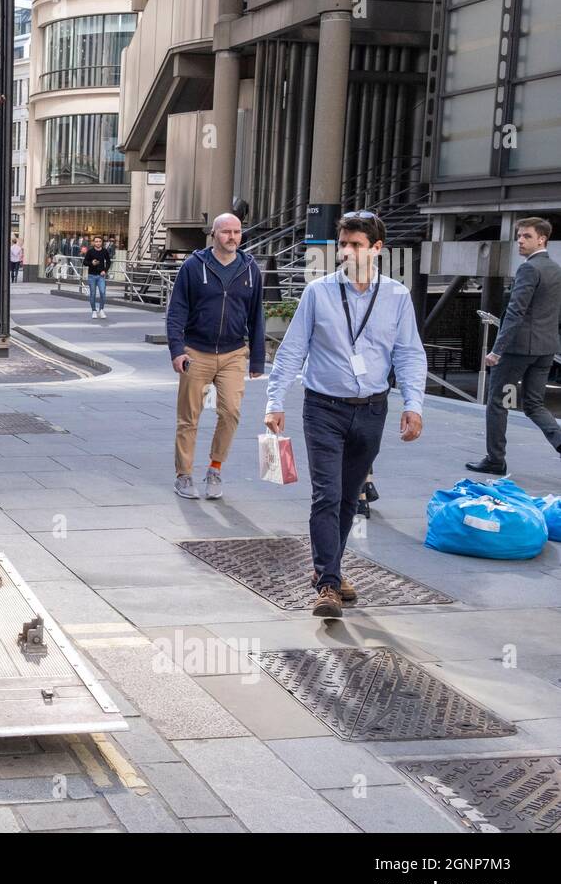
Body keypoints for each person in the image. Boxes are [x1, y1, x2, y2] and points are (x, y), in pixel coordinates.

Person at [265, 212, 427, 619]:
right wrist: (274, 401)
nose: (347, 252)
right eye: (344, 245)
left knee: (349, 500)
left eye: (356, 245)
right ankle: (328, 585)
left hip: (372, 409)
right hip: (323, 408)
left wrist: (414, 405)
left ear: (377, 249)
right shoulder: (319, 293)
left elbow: (409, 353)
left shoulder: (396, 296)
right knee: (327, 495)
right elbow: (292, 350)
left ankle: (330, 568)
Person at [166, 213, 266, 500]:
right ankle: (184, 475)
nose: (233, 237)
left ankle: (215, 467)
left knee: (231, 412)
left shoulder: (250, 269)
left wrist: (257, 360)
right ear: (213, 235)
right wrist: (177, 350)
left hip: (234, 352)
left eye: (237, 232)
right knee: (189, 417)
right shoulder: (193, 267)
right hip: (196, 351)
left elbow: (256, 315)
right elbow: (176, 312)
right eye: (226, 232)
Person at [466, 217, 561, 475]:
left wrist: (497, 350)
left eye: (526, 236)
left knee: (497, 401)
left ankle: (495, 459)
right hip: (546, 348)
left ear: (541, 239)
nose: (520, 240)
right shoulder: (555, 268)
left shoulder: (529, 269)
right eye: (519, 235)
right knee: (534, 404)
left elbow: (515, 313)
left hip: (518, 349)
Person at [83, 234, 112, 319]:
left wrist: (105, 270)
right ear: (94, 242)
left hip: (101, 276)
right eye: (96, 241)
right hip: (91, 275)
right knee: (93, 294)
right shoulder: (90, 251)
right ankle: (94, 311)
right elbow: (84, 262)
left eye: (99, 241)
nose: (98, 243)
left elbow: (109, 262)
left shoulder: (104, 251)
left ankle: (101, 310)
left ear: (102, 242)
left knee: (102, 293)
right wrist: (91, 263)